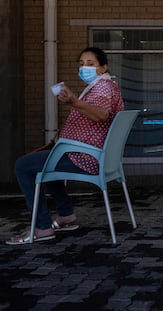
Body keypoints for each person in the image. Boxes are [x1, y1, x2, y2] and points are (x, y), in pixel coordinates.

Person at [7, 47, 124, 245]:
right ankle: (66, 215)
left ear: (103, 68)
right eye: (81, 63)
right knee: (48, 164)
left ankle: (42, 227)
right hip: (86, 153)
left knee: (23, 165)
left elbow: (102, 115)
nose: (83, 68)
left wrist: (74, 102)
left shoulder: (103, 88)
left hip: (85, 157)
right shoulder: (104, 86)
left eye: (90, 64)